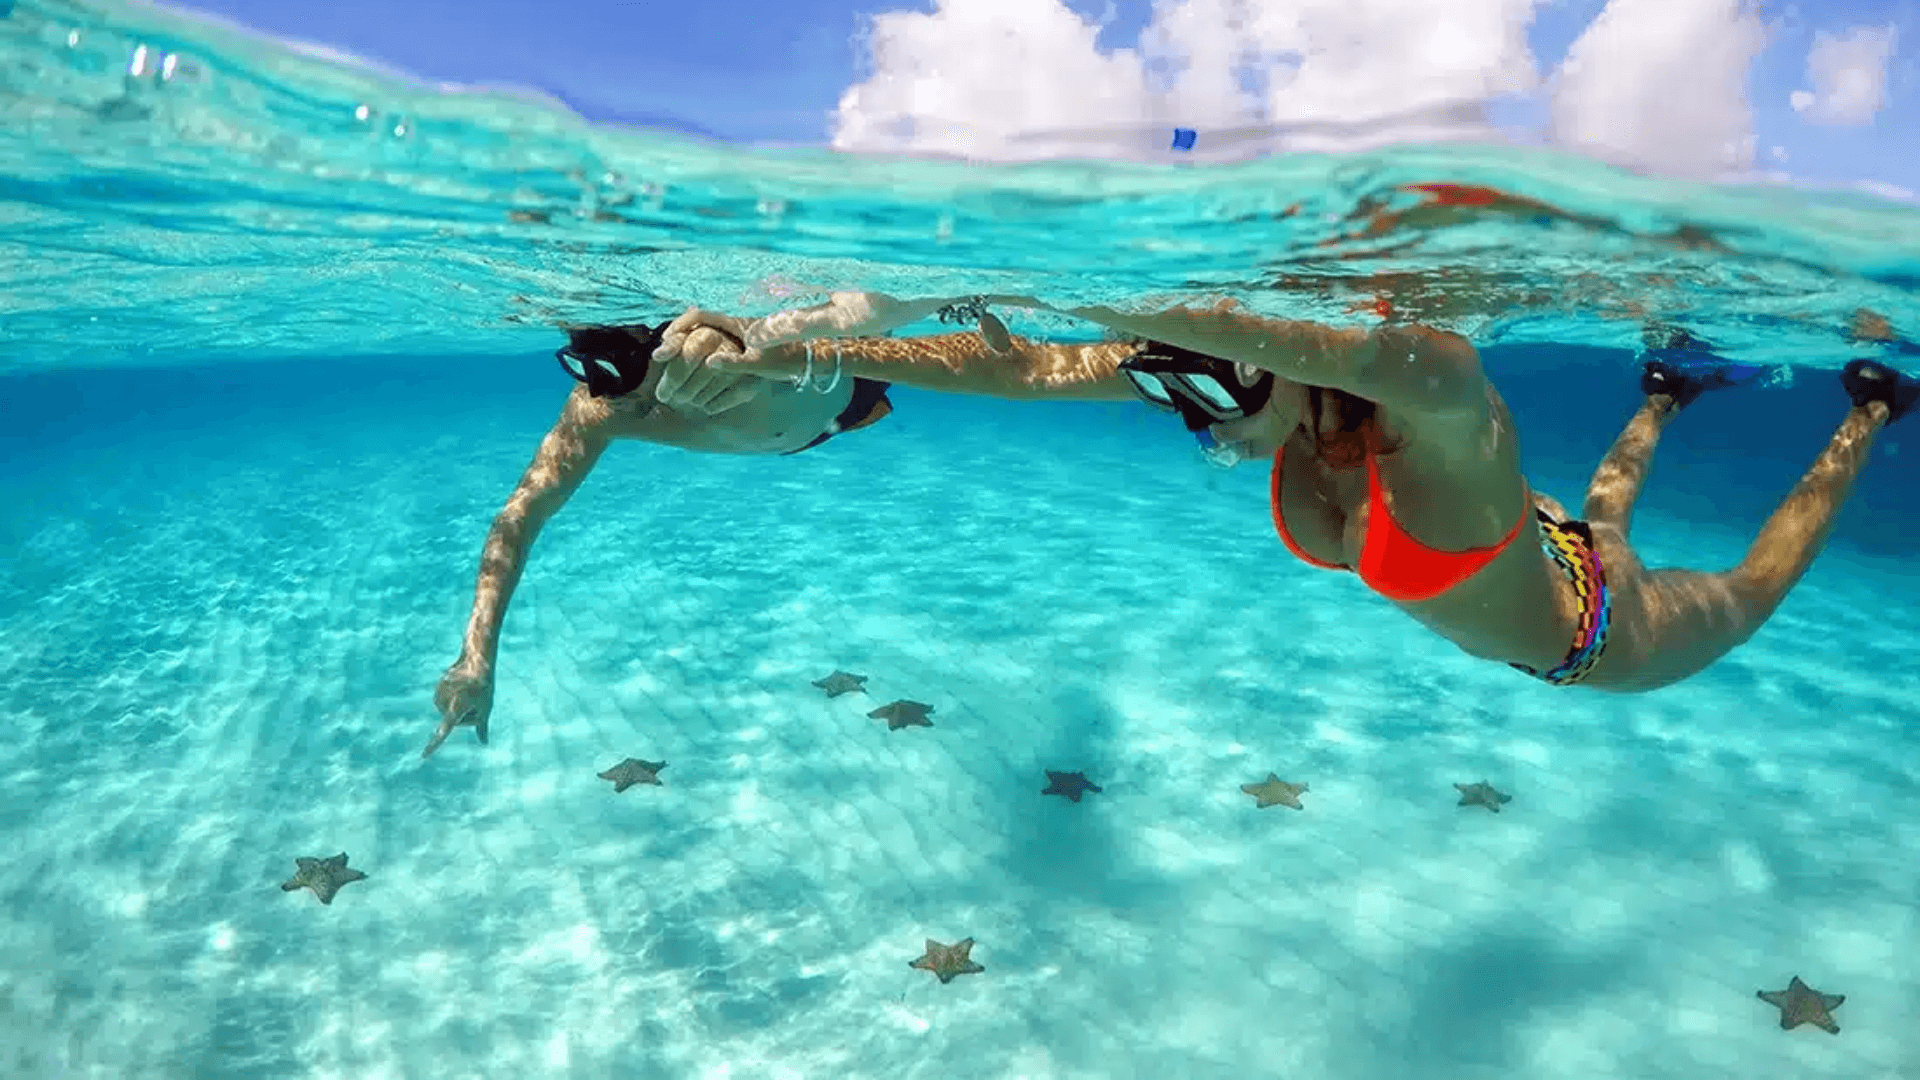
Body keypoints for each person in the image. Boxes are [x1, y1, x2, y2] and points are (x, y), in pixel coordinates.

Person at [661, 291, 1917, 693]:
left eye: (1212, 396)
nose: (1197, 424)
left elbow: (1417, 360)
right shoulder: (1248, 391)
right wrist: (806, 351)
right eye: (1183, 398)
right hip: (1535, 549)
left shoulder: (1440, 426)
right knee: (1604, 509)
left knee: (1746, 589)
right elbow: (1026, 366)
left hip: (1604, 637)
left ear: (1294, 368)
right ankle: (1668, 390)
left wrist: (1142, 299)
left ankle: (1870, 408)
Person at [423, 319, 911, 757]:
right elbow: (521, 514)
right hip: (805, 422)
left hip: (850, 391)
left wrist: (744, 348)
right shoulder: (605, 407)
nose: (602, 386)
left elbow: (807, 325)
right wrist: (476, 659)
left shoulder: (744, 354)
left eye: (620, 363)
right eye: (587, 365)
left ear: (672, 344)